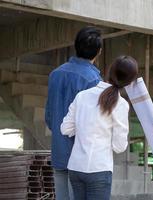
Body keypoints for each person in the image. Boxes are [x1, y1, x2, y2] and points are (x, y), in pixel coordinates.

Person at [60, 55, 138, 200]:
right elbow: (119, 146)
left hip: (76, 167)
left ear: (109, 71)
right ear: (129, 82)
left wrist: (84, 127)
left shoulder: (82, 96)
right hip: (99, 169)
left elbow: (65, 129)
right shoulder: (120, 104)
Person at [45, 26, 102, 199]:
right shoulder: (93, 80)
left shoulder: (55, 74)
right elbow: (94, 124)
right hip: (82, 159)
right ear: (98, 52)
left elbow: (49, 117)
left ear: (75, 46)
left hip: (59, 153)